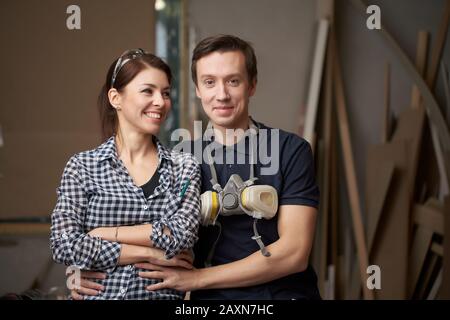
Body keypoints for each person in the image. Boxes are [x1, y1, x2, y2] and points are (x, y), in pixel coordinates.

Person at [72, 35, 320, 300]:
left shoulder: (290, 150)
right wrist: (85, 268)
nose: (221, 94)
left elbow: (294, 254)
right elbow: (149, 236)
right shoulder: (178, 159)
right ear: (198, 90)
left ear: (252, 85)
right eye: (210, 82)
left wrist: (198, 278)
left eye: (233, 81)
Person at [50, 49, 201, 300]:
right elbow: (64, 244)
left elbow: (181, 234)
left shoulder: (184, 167)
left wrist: (103, 234)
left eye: (165, 93)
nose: (160, 102)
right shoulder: (82, 167)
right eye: (147, 91)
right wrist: (151, 254)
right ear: (115, 98)